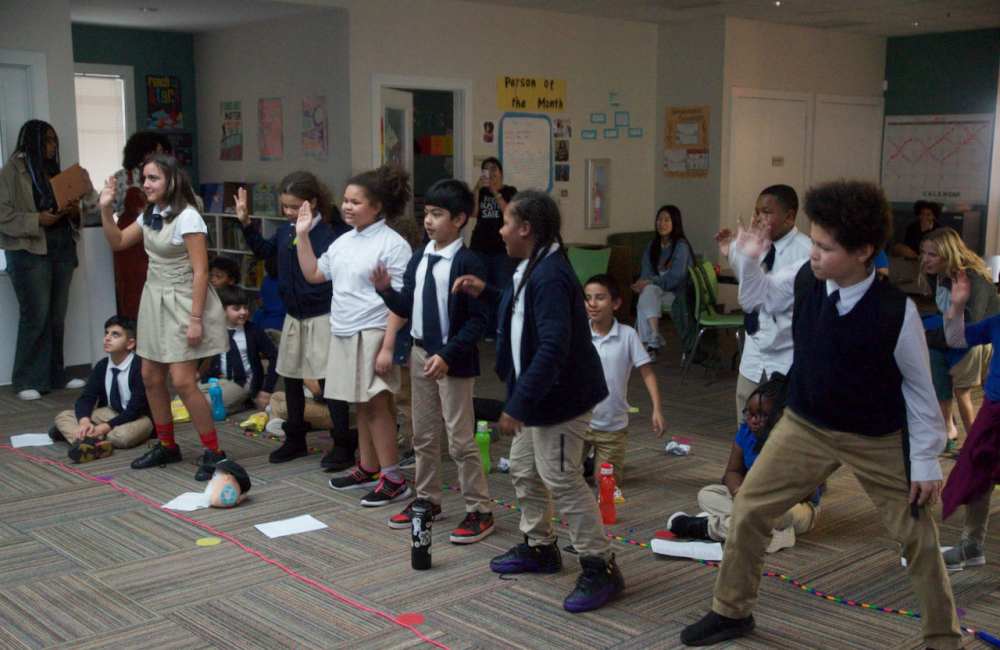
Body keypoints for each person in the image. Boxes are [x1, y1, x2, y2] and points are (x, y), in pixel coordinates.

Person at [682, 180, 960, 648]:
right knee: (749, 508)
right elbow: (759, 300)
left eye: (826, 248)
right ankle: (731, 611)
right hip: (806, 424)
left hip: (876, 436)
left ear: (863, 252)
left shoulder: (896, 312)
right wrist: (747, 259)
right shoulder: (809, 279)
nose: (813, 253)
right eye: (814, 241)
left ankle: (943, 639)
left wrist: (928, 460)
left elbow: (919, 389)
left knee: (918, 537)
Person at [453, 190, 623, 613]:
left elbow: (552, 347)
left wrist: (517, 405)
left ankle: (601, 565)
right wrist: (487, 292)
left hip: (560, 401)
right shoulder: (532, 264)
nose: (501, 229)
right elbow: (519, 314)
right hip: (538, 399)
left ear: (526, 229)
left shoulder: (550, 275)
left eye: (507, 222)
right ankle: (541, 548)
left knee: (562, 479)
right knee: (526, 471)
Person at [372, 178, 494, 542]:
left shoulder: (468, 261)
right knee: (422, 435)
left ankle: (479, 509)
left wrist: (446, 354)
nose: (428, 221)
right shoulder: (420, 257)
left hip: (452, 357)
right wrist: (385, 292)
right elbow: (408, 306)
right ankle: (427, 499)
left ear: (459, 219)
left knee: (459, 439)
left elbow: (477, 322)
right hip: (421, 351)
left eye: (437, 214)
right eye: (426, 213)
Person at [98, 153, 230, 481]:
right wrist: (105, 208)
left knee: (184, 381)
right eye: (144, 178)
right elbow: (117, 242)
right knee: (150, 377)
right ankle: (167, 445)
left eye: (153, 178)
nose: (146, 184)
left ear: (171, 180)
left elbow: (201, 272)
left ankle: (214, 452)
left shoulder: (188, 218)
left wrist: (196, 318)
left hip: (184, 300)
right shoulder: (150, 214)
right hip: (154, 299)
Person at [295, 164, 412, 507]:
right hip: (344, 331)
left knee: (378, 407)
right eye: (345, 200)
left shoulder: (393, 244)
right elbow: (314, 274)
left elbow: (400, 302)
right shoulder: (343, 241)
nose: (346, 206)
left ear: (376, 207)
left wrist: (388, 345)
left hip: (374, 333)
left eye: (355, 202)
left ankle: (393, 478)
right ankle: (368, 465)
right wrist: (302, 235)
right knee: (361, 406)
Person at [235, 172, 355, 468]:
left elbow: (333, 276)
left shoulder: (329, 234)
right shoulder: (286, 231)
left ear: (313, 202)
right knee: (290, 377)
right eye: (284, 207)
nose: (288, 213)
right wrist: (246, 223)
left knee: (330, 383)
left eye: (294, 206)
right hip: (294, 316)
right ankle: (295, 439)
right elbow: (266, 254)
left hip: (322, 315)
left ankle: (343, 443)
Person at [0, 120, 97, 400]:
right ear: (32, 142)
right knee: (36, 315)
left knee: (56, 316)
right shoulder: (11, 172)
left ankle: (55, 375)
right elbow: (3, 216)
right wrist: (38, 219)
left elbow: (88, 205)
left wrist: (73, 209)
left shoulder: (57, 171)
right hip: (29, 251)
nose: (54, 147)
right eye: (48, 141)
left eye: (55, 141)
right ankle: (27, 379)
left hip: (61, 247)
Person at [667, 374, 819, 552]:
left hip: (793, 508)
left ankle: (706, 527)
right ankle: (775, 536)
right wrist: (739, 494)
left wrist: (765, 501)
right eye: (750, 413)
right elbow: (732, 472)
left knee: (769, 515)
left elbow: (808, 493)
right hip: (751, 501)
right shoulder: (746, 432)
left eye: (762, 415)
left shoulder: (793, 441)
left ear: (781, 416)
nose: (753, 420)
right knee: (707, 494)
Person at [724, 185, 811, 424]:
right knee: (746, 422)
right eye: (756, 212)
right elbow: (748, 292)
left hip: (786, 357)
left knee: (781, 425)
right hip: (753, 355)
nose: (759, 219)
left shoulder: (806, 253)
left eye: (766, 212)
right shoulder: (755, 245)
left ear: (790, 216)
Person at [581, 273, 665, 502]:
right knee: (562, 477)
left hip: (612, 426)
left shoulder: (627, 335)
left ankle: (593, 464)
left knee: (606, 484)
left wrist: (656, 408)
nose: (592, 304)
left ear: (616, 303)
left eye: (600, 298)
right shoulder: (579, 333)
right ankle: (587, 462)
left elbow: (647, 372)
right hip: (578, 422)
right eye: (588, 298)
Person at [919, 227, 999, 453]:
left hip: (979, 340)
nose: (925, 260)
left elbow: (973, 326)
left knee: (962, 391)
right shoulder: (937, 274)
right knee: (931, 357)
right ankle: (948, 427)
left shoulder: (973, 279)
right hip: (956, 333)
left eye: (932, 255)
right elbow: (946, 314)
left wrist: (929, 337)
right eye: (924, 253)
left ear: (948, 253)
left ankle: (975, 442)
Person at [940, 270, 1000, 572]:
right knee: (978, 470)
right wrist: (958, 305)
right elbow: (955, 338)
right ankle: (972, 544)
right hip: (993, 410)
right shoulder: (997, 323)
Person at [49, 315, 152, 462]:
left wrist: (104, 427)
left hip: (138, 417)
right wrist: (84, 421)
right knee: (64, 416)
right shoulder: (102, 366)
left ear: (130, 344)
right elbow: (86, 398)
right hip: (110, 412)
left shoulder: (140, 366)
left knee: (122, 436)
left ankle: (82, 439)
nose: (107, 338)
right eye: (106, 333)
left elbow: (134, 410)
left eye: (115, 335)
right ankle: (92, 443)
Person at [199, 286, 278, 413]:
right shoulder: (215, 329)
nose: (243, 312)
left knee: (204, 404)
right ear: (222, 310)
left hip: (242, 382)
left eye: (245, 308)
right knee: (186, 398)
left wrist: (267, 389)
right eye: (236, 309)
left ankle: (244, 400)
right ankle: (240, 404)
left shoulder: (254, 331)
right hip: (218, 380)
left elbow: (275, 357)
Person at [632, 205, 694, 360]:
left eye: (667, 220)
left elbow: (677, 277)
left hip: (677, 292)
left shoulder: (681, 246)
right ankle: (653, 339)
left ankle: (649, 345)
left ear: (675, 223)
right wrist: (642, 282)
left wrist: (649, 282)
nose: (662, 223)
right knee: (647, 293)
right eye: (659, 219)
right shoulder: (652, 246)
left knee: (645, 297)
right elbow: (646, 272)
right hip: (657, 290)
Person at [468, 157, 517, 338]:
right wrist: (476, 189)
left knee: (501, 289)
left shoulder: (510, 191)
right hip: (480, 247)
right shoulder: (480, 192)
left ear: (501, 172)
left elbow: (509, 213)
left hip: (501, 249)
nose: (491, 172)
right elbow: (472, 213)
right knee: (481, 289)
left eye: (494, 169)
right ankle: (485, 330)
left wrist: (495, 192)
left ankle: (501, 329)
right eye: (486, 169)